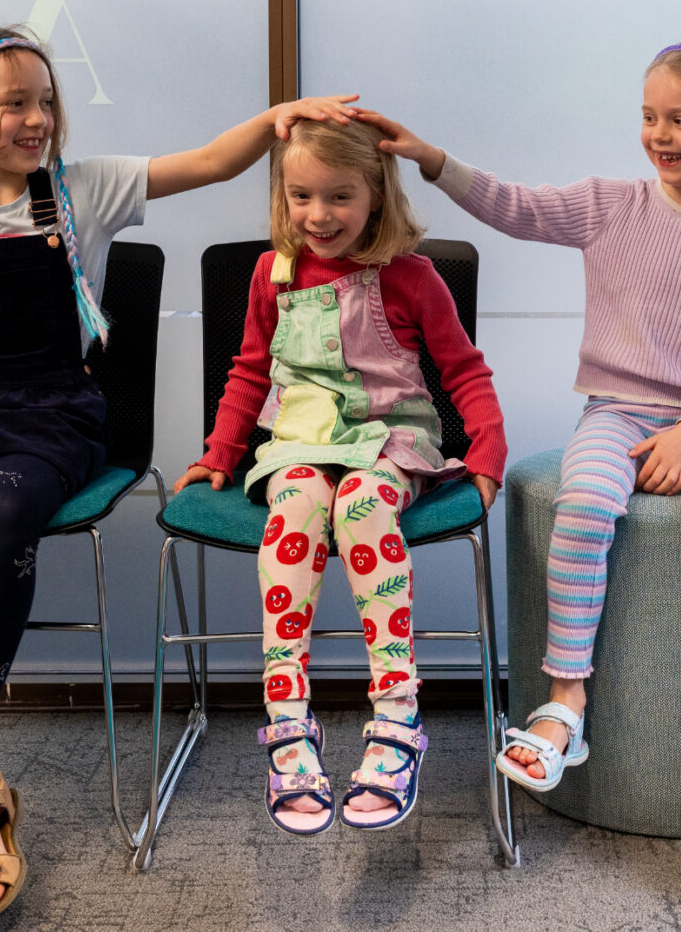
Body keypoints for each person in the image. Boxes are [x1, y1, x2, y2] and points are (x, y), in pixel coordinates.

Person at [0, 24, 356, 918]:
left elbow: (210, 163)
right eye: (14, 103)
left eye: (46, 100)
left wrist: (278, 117)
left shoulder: (81, 192)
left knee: (2, 515)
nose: (38, 119)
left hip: (54, 417)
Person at [364, 38, 681, 840]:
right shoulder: (613, 204)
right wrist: (434, 159)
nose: (660, 133)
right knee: (581, 506)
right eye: (649, 116)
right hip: (612, 411)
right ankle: (564, 703)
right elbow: (514, 204)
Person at [175, 117, 506, 837]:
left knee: (360, 506)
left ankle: (396, 712)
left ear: (377, 196)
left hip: (390, 443)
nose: (318, 215)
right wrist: (219, 453)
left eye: (338, 197)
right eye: (301, 196)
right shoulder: (273, 274)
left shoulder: (412, 276)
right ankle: (289, 722)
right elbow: (249, 372)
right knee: (293, 516)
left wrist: (486, 454)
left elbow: (464, 371)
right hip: (299, 442)